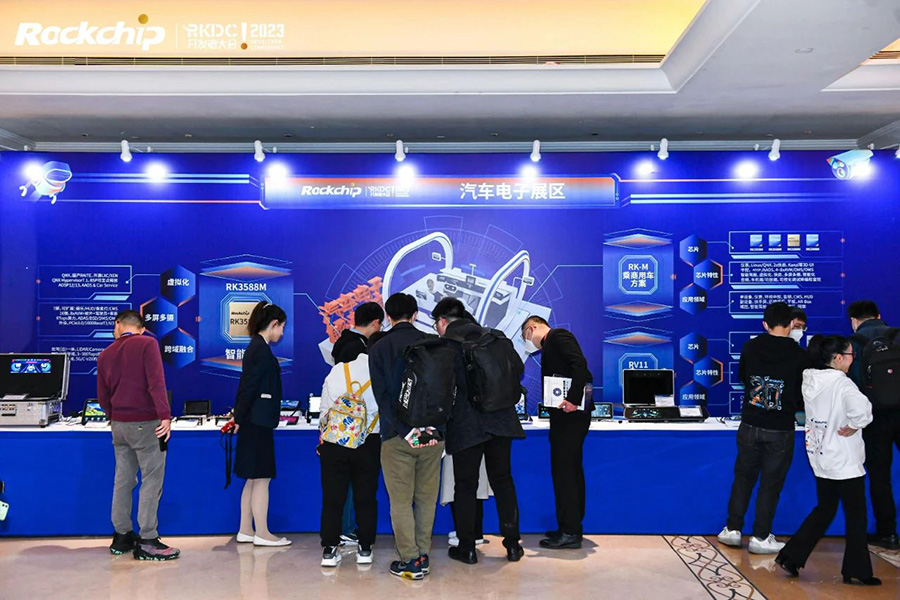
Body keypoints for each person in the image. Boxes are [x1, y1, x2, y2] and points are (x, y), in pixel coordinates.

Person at [776, 335, 879, 586]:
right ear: (838, 358)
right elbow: (863, 411)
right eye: (851, 355)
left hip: (821, 455)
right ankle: (857, 570)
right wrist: (855, 424)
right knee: (856, 516)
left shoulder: (811, 380)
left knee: (825, 508)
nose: (853, 359)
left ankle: (791, 556)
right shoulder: (843, 384)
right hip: (844, 459)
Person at [433, 298, 525, 564]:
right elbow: (517, 370)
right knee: (503, 480)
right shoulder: (495, 337)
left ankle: (467, 547)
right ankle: (512, 544)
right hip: (502, 419)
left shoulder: (447, 345)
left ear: (442, 321)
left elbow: (442, 388)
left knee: (465, 485)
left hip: (467, 423)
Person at [718, 302, 809, 554]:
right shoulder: (800, 355)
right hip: (780, 427)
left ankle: (733, 529)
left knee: (743, 478)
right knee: (771, 483)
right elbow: (801, 393)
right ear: (791, 324)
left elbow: (743, 378)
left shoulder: (751, 347)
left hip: (750, 423)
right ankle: (760, 537)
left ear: (765, 324)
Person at [369, 293, 443, 580]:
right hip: (432, 433)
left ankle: (410, 560)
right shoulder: (434, 343)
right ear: (415, 315)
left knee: (400, 501)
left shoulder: (380, 347)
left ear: (388, 317)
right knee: (426, 499)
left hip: (397, 436)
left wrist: (403, 430)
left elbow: (382, 396)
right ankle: (423, 556)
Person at [97, 309, 180, 561]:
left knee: (123, 480)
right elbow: (156, 381)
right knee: (151, 481)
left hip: (119, 425)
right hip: (146, 423)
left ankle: (122, 536)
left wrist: (114, 415)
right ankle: (147, 540)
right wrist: (165, 415)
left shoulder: (105, 354)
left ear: (118, 325)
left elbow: (103, 396)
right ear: (142, 328)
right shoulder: (147, 344)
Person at [521, 315, 593, 550]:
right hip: (563, 418)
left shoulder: (559, 336)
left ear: (531, 328)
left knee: (566, 474)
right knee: (566, 472)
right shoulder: (551, 343)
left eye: (525, 336)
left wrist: (572, 398)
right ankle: (568, 526)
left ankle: (570, 531)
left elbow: (580, 365)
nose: (528, 342)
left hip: (571, 417)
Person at [233, 302, 291, 547]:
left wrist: (239, 417)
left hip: (253, 421)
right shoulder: (260, 349)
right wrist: (238, 417)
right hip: (257, 422)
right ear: (273, 324)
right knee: (262, 478)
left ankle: (246, 529)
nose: (282, 332)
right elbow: (248, 387)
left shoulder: (256, 347)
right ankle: (263, 532)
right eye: (282, 327)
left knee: (252, 478)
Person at [317, 349, 382, 567]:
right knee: (366, 496)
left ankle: (329, 550)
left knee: (333, 498)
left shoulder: (337, 371)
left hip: (335, 441)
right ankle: (365, 548)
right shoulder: (379, 371)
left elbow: (324, 410)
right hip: (369, 440)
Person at [329, 301, 384, 547]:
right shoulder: (356, 348)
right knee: (356, 485)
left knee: (346, 484)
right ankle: (348, 528)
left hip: (344, 427)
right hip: (357, 427)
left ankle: (345, 528)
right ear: (375, 323)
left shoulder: (345, 342)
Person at [847, 300, 900, 549]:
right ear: (879, 315)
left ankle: (887, 532)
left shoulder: (855, 344)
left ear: (853, 320)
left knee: (880, 477)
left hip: (874, 418)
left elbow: (853, 385)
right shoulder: (897, 336)